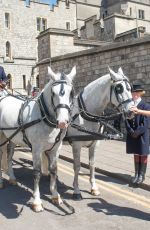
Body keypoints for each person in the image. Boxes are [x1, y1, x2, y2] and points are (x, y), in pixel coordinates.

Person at [125, 83, 150, 185]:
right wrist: (130, 130)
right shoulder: (129, 105)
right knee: (136, 153)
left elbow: (146, 121)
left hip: (142, 133)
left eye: (136, 92)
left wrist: (137, 132)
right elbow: (125, 119)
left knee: (143, 153)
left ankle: (141, 175)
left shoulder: (145, 105)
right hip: (132, 133)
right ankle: (136, 174)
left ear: (140, 93)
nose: (134, 94)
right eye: (133, 92)